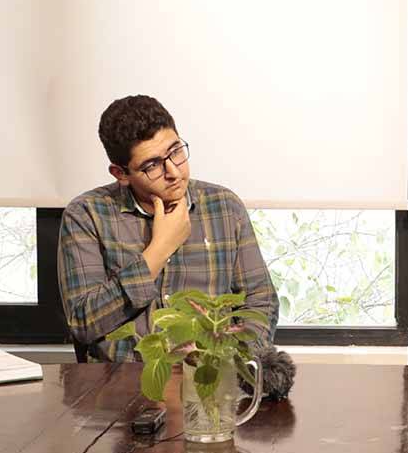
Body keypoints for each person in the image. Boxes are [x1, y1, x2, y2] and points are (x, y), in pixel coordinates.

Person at [59, 95, 277, 361]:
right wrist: (158, 251)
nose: (173, 172)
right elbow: (82, 322)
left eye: (175, 151)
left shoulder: (224, 207)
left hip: (209, 375)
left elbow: (261, 301)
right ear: (121, 174)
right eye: (152, 166)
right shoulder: (86, 215)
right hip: (122, 377)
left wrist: (233, 363)